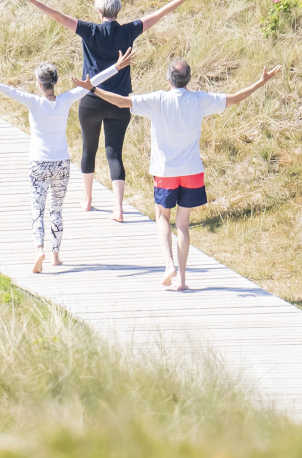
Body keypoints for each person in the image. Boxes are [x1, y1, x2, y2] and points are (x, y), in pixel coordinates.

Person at [85, 52, 279, 292]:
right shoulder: (199, 99)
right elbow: (234, 98)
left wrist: (93, 89)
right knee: (183, 226)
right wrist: (261, 82)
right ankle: (183, 280)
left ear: (168, 80)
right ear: (189, 79)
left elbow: (123, 102)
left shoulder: (158, 100)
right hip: (192, 171)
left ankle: (169, 265)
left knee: (162, 217)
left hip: (165, 171)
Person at [16, 0, 197, 222]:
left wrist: (33, 1)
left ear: (99, 10)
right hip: (120, 102)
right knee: (115, 153)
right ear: (118, 10)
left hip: (90, 100)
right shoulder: (128, 31)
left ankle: (88, 200)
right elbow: (160, 14)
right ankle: (118, 209)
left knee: (89, 150)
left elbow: (58, 16)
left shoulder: (89, 30)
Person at [0, 62, 91, 273]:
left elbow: (9, 91)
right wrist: (117, 67)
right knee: (56, 209)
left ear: (39, 84)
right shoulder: (67, 99)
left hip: (39, 163)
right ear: (55, 82)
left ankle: (39, 249)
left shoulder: (34, 102)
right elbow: (95, 81)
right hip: (62, 163)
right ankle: (55, 256)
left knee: (37, 209)